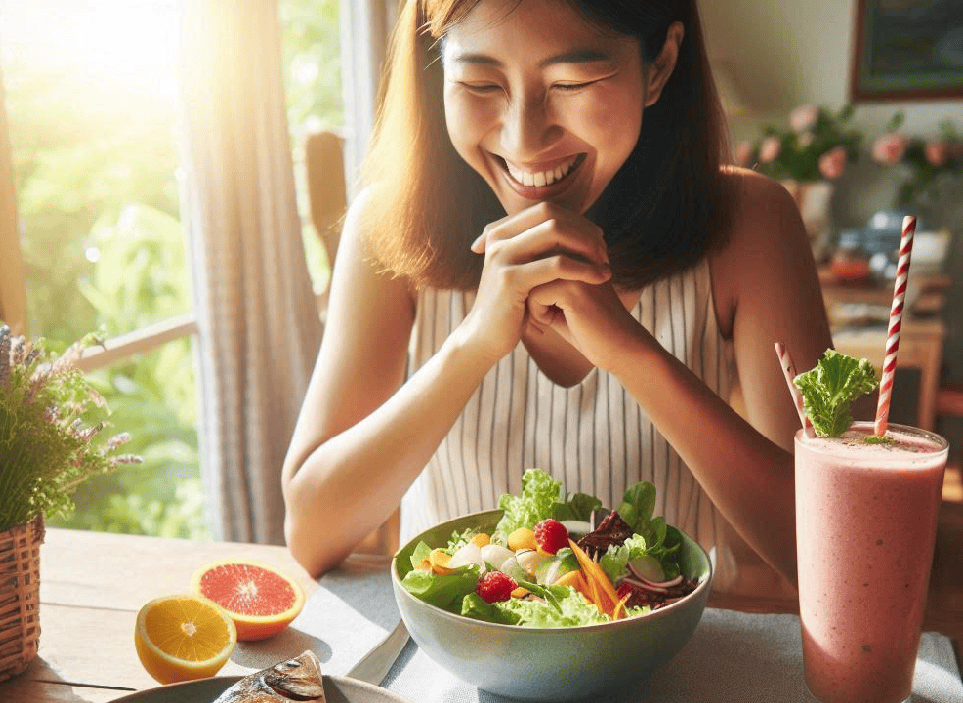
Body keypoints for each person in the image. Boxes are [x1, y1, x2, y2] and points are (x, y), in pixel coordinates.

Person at [282, 0, 832, 587]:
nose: (524, 140)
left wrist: (631, 353)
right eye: (479, 82)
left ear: (660, 65)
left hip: (674, 666)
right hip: (451, 667)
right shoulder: (389, 225)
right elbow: (312, 533)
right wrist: (469, 347)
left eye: (572, 82)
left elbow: (828, 554)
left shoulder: (750, 223)